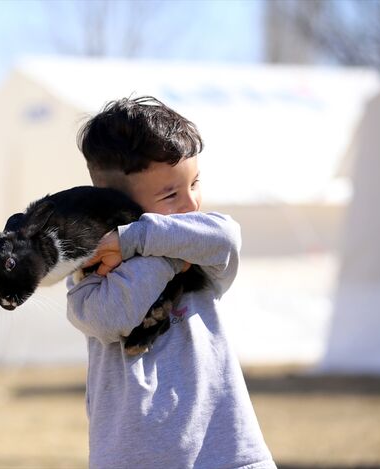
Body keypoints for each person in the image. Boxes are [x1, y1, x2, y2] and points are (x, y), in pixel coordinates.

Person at [66, 96, 276, 469]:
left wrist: (134, 239)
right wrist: (170, 257)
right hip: (133, 458)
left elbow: (226, 237)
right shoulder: (91, 266)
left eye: (195, 183)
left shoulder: (199, 237)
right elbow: (111, 318)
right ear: (116, 203)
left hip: (228, 453)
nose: (191, 204)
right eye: (170, 195)